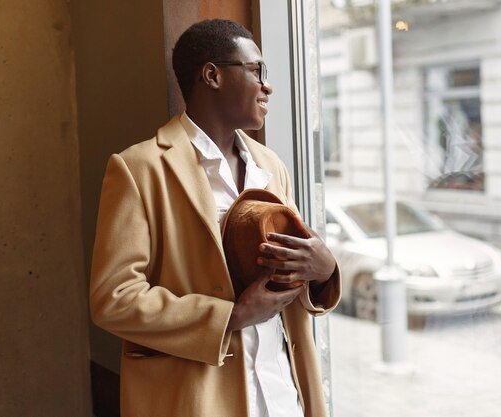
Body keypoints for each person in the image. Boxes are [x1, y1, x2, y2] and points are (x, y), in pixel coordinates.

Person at [90, 18, 341, 417]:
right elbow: (113, 299)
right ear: (212, 75)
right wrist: (231, 317)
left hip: (283, 395)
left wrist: (325, 270)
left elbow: (288, 278)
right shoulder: (138, 168)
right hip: (199, 400)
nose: (267, 85)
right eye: (256, 70)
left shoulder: (270, 166)